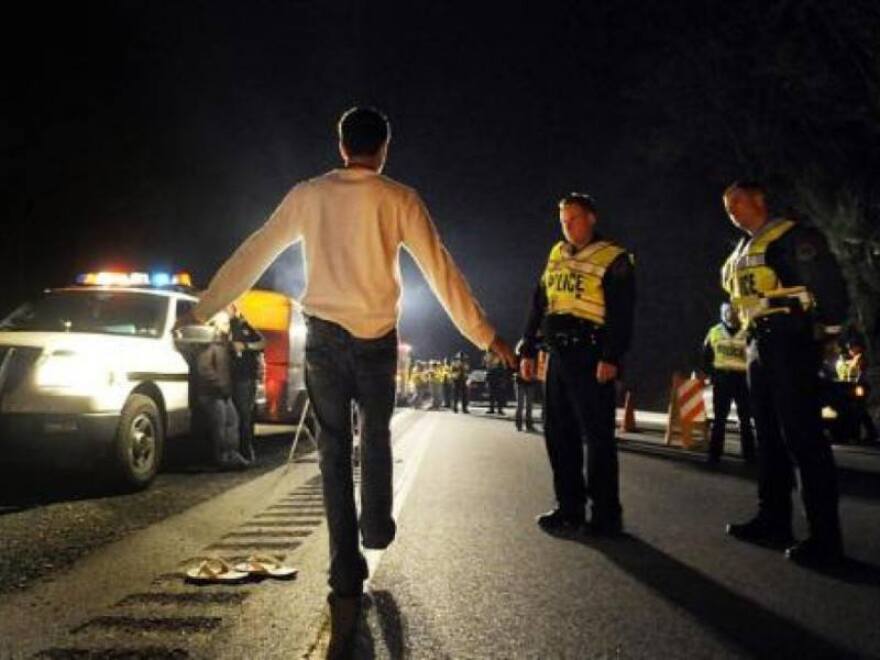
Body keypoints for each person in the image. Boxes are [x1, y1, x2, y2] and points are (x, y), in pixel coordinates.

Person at [179, 106, 515, 656]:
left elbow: (255, 250)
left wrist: (203, 308)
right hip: (378, 342)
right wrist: (487, 337)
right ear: (383, 149)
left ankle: (344, 579)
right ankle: (376, 528)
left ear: (341, 146)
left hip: (325, 341)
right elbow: (441, 268)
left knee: (334, 454)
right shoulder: (401, 198)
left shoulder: (308, 195)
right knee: (376, 434)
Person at [721, 180, 849, 566]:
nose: (732, 210)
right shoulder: (741, 252)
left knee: (804, 438)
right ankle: (773, 519)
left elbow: (829, 287)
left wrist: (826, 332)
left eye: (737, 201)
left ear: (760, 198)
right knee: (769, 439)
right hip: (758, 347)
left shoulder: (790, 236)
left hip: (791, 343)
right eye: (727, 206)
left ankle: (825, 538)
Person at [520, 192, 635, 536]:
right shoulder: (556, 254)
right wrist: (527, 347)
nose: (567, 226)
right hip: (557, 356)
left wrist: (612, 357)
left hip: (591, 354)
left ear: (591, 218)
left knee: (598, 439)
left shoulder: (614, 258)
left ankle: (605, 515)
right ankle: (569, 507)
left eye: (574, 218)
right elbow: (539, 303)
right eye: (563, 220)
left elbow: (623, 313)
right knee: (558, 435)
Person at [193, 311, 250, 470]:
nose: (227, 327)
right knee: (220, 426)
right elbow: (204, 369)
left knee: (232, 422)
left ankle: (232, 454)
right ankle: (223, 458)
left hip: (222, 393)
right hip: (212, 393)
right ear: (216, 325)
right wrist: (219, 384)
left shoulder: (222, 344)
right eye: (224, 324)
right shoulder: (210, 345)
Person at [702, 302, 756, 464]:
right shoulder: (714, 332)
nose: (730, 314)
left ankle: (749, 455)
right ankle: (714, 455)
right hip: (722, 380)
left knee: (745, 420)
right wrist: (712, 374)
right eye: (727, 311)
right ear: (722, 313)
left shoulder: (748, 332)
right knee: (719, 420)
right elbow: (705, 356)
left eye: (733, 311)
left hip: (742, 380)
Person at [228, 304, 266, 463]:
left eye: (229, 308)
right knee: (234, 417)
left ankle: (246, 451)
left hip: (245, 378)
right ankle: (237, 451)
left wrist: (245, 346)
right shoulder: (223, 327)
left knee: (243, 415)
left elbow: (262, 343)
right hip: (230, 378)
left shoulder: (244, 326)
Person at [514, 344, 536, 432]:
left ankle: (519, 425)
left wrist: (517, 372)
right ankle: (528, 425)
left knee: (520, 404)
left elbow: (513, 368)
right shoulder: (533, 357)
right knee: (528, 405)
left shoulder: (517, 357)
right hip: (528, 382)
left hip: (520, 382)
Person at [484, 350, 507, 415]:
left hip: (498, 379)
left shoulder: (500, 356)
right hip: (491, 378)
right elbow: (486, 368)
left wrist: (503, 380)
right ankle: (492, 409)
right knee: (491, 395)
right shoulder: (488, 356)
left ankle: (499, 409)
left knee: (499, 395)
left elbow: (503, 369)